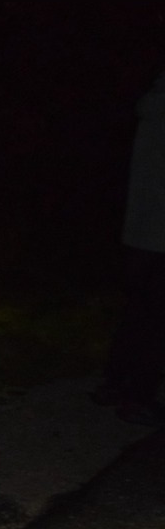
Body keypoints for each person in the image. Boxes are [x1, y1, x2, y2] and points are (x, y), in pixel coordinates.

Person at [93, 69, 165, 427]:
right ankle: (139, 397)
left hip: (138, 233)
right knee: (155, 319)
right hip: (159, 237)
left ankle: (115, 385)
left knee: (137, 312)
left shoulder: (152, 109)